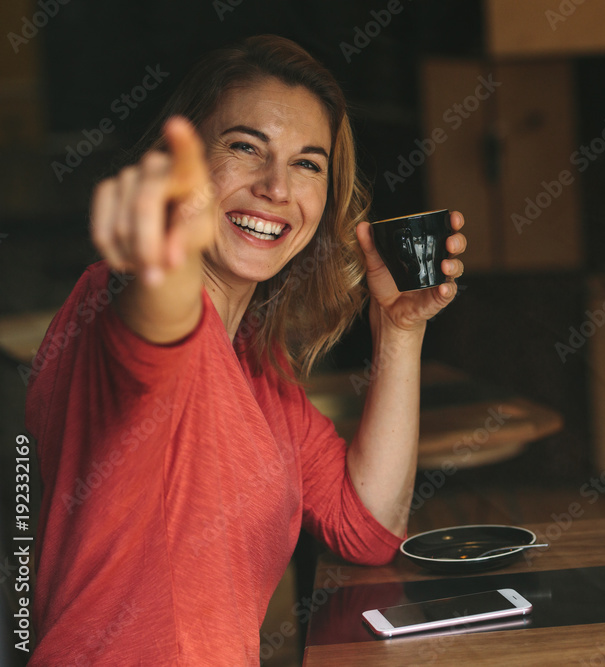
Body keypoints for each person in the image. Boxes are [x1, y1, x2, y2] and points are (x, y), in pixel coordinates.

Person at [24, 35, 467, 664]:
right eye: (243, 148)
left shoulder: (256, 364)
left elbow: (366, 527)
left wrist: (398, 331)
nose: (276, 187)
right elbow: (155, 337)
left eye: (308, 164)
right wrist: (163, 255)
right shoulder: (116, 301)